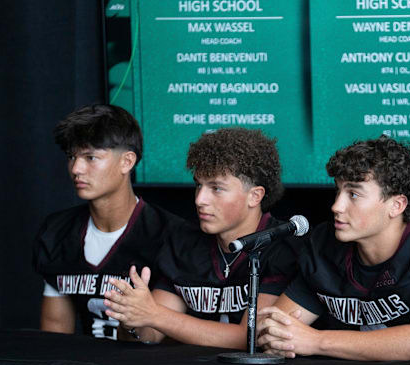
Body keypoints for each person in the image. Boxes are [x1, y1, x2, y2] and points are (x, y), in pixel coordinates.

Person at [256, 135, 410, 360]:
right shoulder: (325, 247)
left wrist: (316, 341)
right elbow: (273, 327)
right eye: (338, 191)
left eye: (354, 194)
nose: (336, 206)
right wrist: (277, 337)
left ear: (396, 205)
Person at [103, 128, 301, 349]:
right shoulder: (184, 243)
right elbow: (151, 332)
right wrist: (132, 317)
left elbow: (251, 337)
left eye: (216, 188)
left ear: (255, 196)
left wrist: (155, 315)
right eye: (199, 185)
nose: (200, 199)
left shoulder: (282, 245)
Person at [33, 104, 184, 340]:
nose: (76, 168)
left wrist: (133, 316)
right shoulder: (57, 232)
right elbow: (55, 335)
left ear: (127, 161)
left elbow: (151, 337)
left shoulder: (171, 235)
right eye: (72, 156)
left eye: (90, 157)